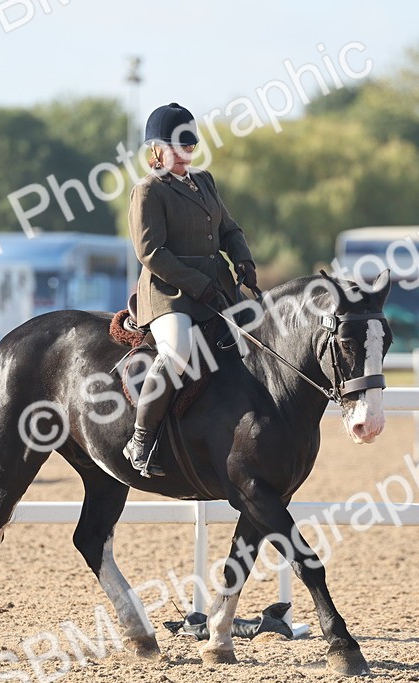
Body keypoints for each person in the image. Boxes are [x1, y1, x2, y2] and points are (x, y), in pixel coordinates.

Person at [124, 102, 259, 477]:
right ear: (157, 149)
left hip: (216, 288)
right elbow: (150, 252)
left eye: (190, 147)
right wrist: (200, 285)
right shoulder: (148, 190)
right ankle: (139, 440)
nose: (185, 155)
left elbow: (229, 229)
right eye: (177, 148)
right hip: (169, 294)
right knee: (179, 352)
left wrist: (243, 259)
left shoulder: (204, 182)